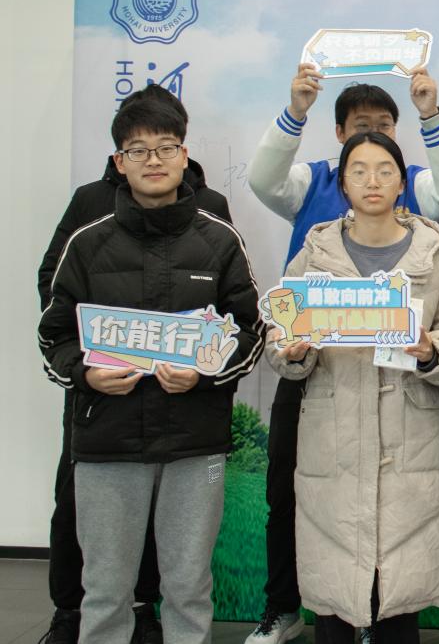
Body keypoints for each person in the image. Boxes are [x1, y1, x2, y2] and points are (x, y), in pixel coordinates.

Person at [246, 64, 439, 642]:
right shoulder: (314, 252)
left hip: (410, 429)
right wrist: (292, 352)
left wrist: (433, 351)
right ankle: (290, 609)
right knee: (333, 578)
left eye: (385, 170)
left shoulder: (434, 252)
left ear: (402, 181)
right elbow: (281, 337)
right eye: (359, 170)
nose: (373, 181)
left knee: (401, 583)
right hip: (333, 426)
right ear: (341, 182)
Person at [38, 99, 266, 644]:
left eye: (166, 148)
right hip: (107, 441)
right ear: (119, 162)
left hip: (195, 442)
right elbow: (54, 335)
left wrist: (204, 375)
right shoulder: (87, 242)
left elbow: (251, 331)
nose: (154, 160)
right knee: (105, 590)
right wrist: (86, 375)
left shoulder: (220, 239)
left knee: (189, 587)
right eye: (138, 150)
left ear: (184, 156)